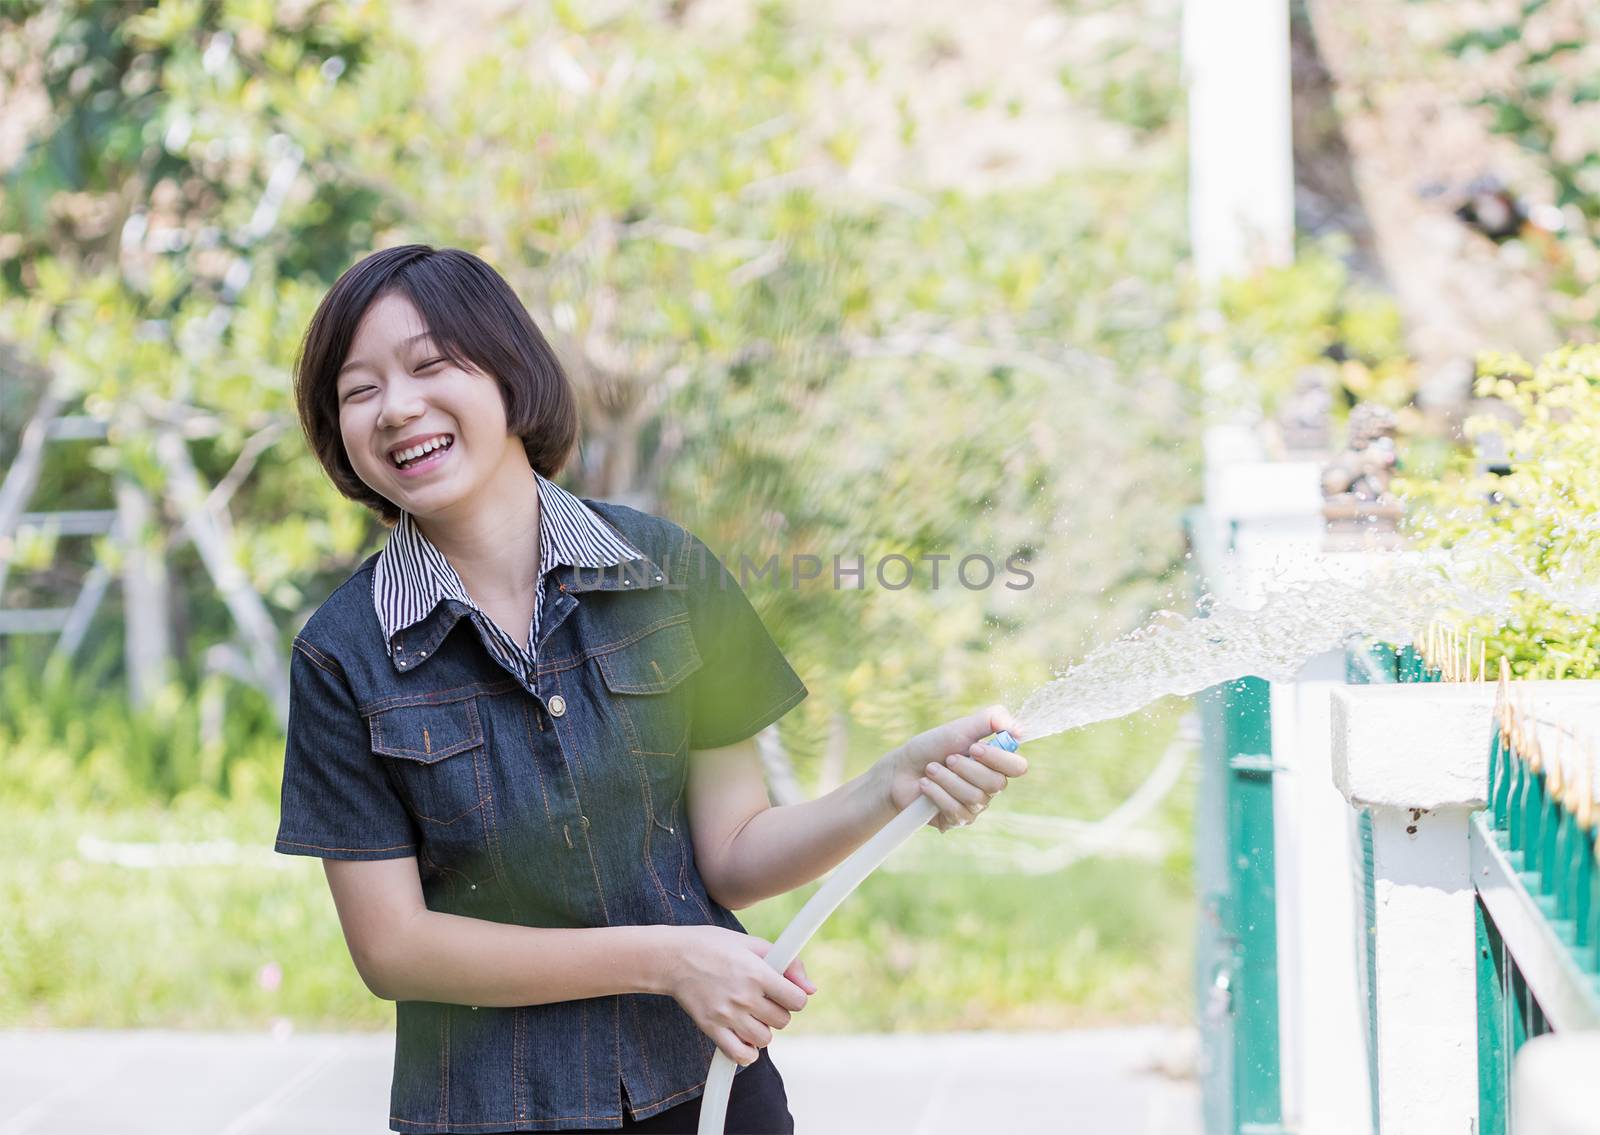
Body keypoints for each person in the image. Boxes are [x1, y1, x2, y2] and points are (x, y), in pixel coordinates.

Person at [274, 244, 1028, 1134]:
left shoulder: (668, 574)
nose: (398, 407)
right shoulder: (342, 652)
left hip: (705, 1092)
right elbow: (395, 949)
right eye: (359, 390)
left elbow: (734, 850)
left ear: (512, 376)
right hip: (488, 1112)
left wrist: (888, 785)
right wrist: (667, 959)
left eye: (430, 365)